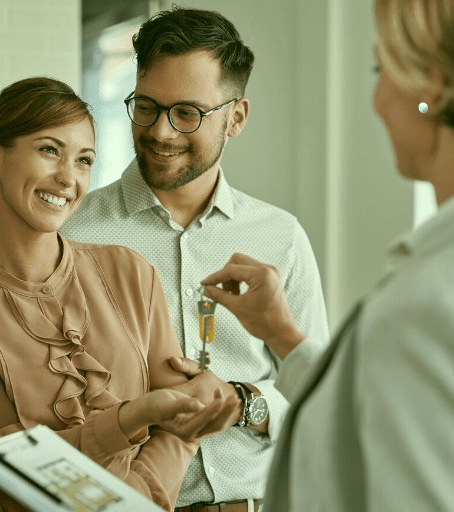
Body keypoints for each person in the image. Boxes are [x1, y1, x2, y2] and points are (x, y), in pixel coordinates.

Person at [201, 0, 454, 510]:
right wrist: (282, 336)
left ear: (432, 88)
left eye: (381, 68)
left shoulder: (433, 311)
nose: (376, 98)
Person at [0, 76, 237, 512]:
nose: (67, 178)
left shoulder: (131, 271)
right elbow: (16, 472)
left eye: (84, 161)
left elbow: (181, 425)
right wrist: (135, 417)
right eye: (49, 150)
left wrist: (136, 500)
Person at [61, 7, 329, 511]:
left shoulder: (281, 238)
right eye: (147, 106)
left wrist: (241, 403)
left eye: (187, 112)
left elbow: (319, 400)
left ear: (236, 118)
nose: (161, 132)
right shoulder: (75, 236)